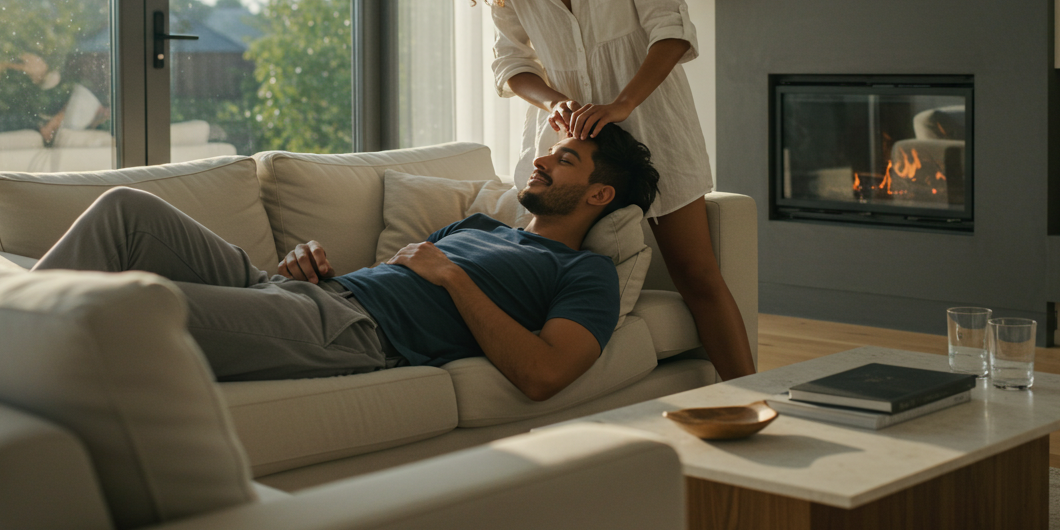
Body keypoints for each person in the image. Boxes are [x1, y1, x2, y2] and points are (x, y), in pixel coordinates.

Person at [436, 0, 756, 380]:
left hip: (654, 127)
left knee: (697, 273)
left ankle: (752, 398)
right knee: (561, 272)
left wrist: (623, 104)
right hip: (570, 147)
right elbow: (510, 62)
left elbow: (672, 30)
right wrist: (554, 101)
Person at [33, 124, 660, 401]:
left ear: (600, 195)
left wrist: (453, 276)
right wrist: (300, 269)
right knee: (125, 211)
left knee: (146, 311)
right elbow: (392, 278)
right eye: (551, 152)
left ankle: (5, 358)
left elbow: (545, 374)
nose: (544, 161)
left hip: (351, 335)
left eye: (566, 160)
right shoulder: (476, 225)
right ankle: (0, 326)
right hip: (309, 296)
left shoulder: (586, 274)